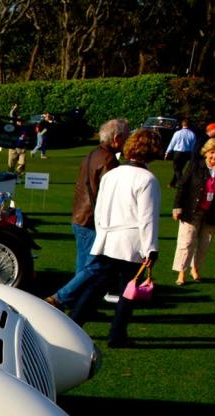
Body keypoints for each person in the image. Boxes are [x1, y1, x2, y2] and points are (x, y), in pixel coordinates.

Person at [67, 129, 162, 348]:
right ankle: (117, 335)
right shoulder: (147, 179)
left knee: (96, 286)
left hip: (109, 239)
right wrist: (151, 249)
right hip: (132, 242)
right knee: (128, 290)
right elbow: (147, 217)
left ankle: (73, 324)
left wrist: (102, 233)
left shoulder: (112, 174)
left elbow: (99, 210)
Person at [44, 119, 130, 310]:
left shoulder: (92, 154)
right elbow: (109, 195)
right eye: (126, 137)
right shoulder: (108, 160)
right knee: (96, 266)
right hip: (92, 220)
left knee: (84, 268)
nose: (128, 141)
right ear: (117, 138)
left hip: (80, 216)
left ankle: (77, 304)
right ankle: (60, 299)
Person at [170, 137, 215, 285]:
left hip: (213, 212)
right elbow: (182, 187)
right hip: (192, 211)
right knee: (186, 242)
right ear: (205, 153)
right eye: (211, 152)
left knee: (204, 244)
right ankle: (182, 273)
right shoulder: (194, 166)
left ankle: (195, 268)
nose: (214, 156)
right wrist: (177, 207)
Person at [164, 118, 197, 188]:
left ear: (182, 124)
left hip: (178, 153)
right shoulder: (192, 134)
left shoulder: (177, 133)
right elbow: (193, 146)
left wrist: (167, 152)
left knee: (176, 168)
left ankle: (182, 183)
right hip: (187, 153)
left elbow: (172, 143)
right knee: (179, 169)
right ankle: (172, 184)